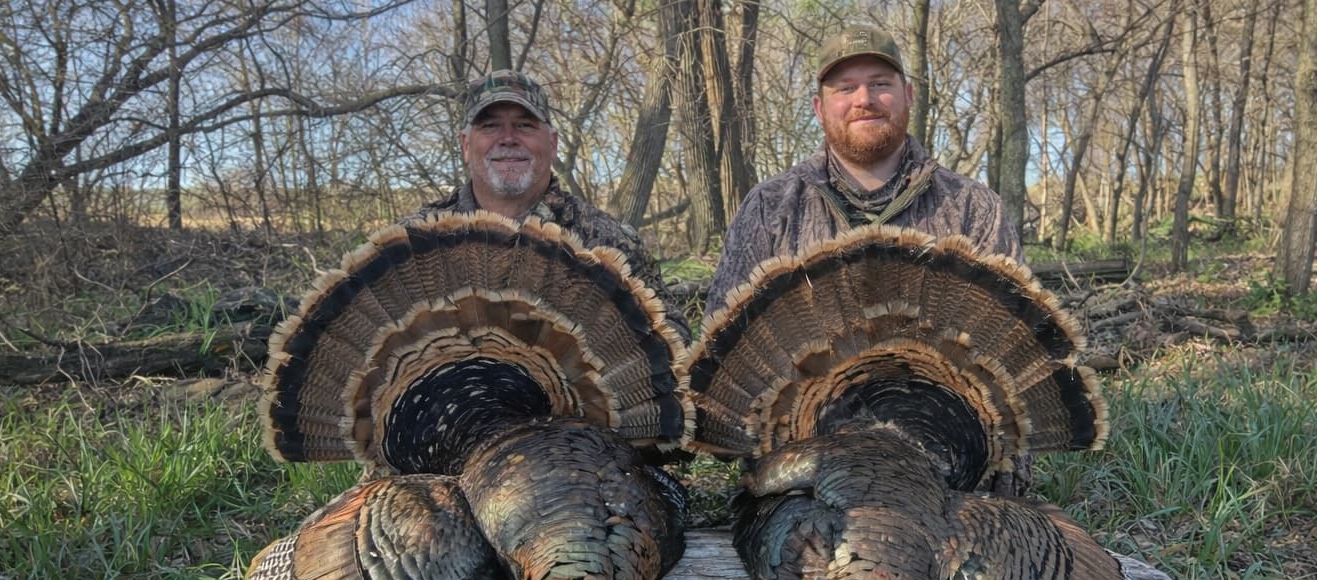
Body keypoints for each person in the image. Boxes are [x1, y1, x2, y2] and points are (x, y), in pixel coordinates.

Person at [705, 26, 1031, 494]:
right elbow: (727, 358)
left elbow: (1013, 357)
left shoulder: (972, 208)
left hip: (948, 468)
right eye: (845, 88)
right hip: (804, 469)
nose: (865, 99)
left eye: (881, 83)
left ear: (908, 96)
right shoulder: (771, 206)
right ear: (820, 107)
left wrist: (1001, 478)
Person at [412, 69, 690, 342]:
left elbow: (672, 336)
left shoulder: (607, 242)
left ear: (553, 143)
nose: (508, 138)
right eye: (490, 126)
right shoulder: (416, 241)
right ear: (465, 145)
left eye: (525, 125)